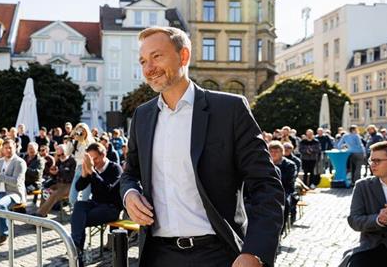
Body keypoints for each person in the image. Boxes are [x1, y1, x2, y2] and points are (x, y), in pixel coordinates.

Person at [120, 27, 284, 267]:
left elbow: (266, 185)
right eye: (143, 61)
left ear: (183, 56)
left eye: (157, 57)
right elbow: (130, 173)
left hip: (218, 254)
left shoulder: (229, 110)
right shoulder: (142, 115)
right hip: (157, 256)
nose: (148, 68)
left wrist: (255, 251)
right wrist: (129, 194)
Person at [340, 141, 387, 267]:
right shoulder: (362, 185)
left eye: (377, 161)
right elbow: (354, 220)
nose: (372, 165)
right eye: (371, 160)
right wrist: (378, 220)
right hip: (369, 247)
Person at [70, 143, 123, 266]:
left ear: (103, 154)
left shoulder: (115, 168)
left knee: (78, 219)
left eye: (96, 158)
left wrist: (92, 172)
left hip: (111, 208)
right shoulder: (92, 168)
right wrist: (84, 174)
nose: (93, 162)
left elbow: (107, 190)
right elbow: (79, 187)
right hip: (95, 204)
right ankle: (77, 249)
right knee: (79, 205)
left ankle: (76, 252)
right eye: (91, 159)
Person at [36, 144, 76, 217]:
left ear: (66, 152)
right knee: (45, 191)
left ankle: (40, 214)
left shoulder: (72, 160)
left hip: (69, 185)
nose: (60, 156)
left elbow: (72, 176)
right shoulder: (58, 161)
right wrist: (53, 173)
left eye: (62, 154)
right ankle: (41, 212)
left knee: (55, 193)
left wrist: (59, 172)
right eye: (58, 155)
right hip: (59, 183)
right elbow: (54, 177)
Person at [268, 141, 297, 232]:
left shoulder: (290, 165)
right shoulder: (265, 163)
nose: (273, 154)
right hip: (267, 190)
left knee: (285, 204)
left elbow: (288, 180)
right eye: (271, 151)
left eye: (276, 151)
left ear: (282, 152)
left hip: (284, 190)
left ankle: (280, 231)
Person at [67, 123, 96, 206]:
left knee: (85, 199)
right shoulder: (76, 142)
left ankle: (84, 216)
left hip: (88, 169)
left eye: (82, 131)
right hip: (78, 169)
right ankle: (78, 211)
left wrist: (82, 141)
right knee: (72, 198)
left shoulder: (90, 142)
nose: (80, 133)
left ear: (86, 131)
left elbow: (87, 155)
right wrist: (70, 140)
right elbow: (67, 153)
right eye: (78, 130)